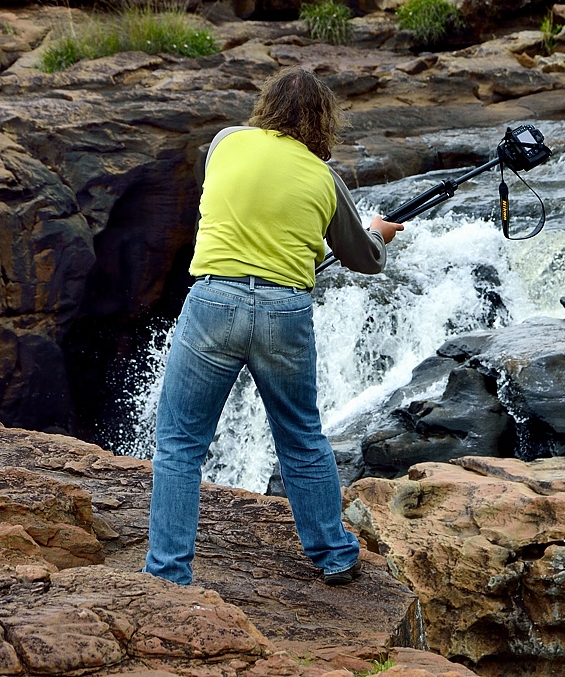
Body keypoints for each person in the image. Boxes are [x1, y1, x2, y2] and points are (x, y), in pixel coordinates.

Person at [143, 66, 403, 587]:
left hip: (213, 298)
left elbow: (221, 189)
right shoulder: (323, 176)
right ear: (323, 122)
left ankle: (168, 575)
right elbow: (363, 259)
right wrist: (376, 232)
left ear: (265, 106)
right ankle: (333, 554)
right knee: (301, 436)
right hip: (284, 310)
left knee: (179, 445)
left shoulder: (225, 142)